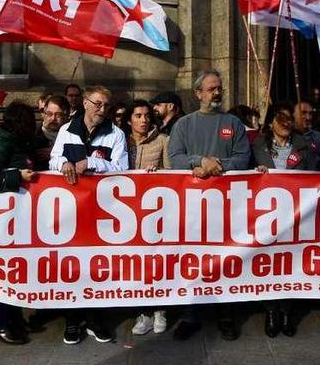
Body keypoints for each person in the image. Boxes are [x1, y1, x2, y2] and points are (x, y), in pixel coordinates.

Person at [169, 69, 250, 341]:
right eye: (212, 88)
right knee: (191, 260)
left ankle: (225, 313)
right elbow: (175, 159)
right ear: (198, 93)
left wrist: (217, 166)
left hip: (226, 207)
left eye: (220, 88)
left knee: (224, 259)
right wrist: (198, 162)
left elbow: (242, 159)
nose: (217, 93)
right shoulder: (183, 124)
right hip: (191, 207)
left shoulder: (234, 123)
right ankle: (189, 314)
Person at [50, 85, 128, 344]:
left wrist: (91, 163)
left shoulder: (116, 134)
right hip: (70, 211)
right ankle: (72, 321)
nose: (101, 109)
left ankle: (95, 319)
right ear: (85, 103)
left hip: (101, 211)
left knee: (96, 266)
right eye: (97, 103)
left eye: (106, 105)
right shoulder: (66, 130)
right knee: (70, 265)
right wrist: (64, 164)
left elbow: (121, 168)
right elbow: (52, 160)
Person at [0, 101, 39, 345]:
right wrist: (17, 176)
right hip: (5, 217)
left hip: (17, 214)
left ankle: (12, 318)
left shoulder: (13, 139)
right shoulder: (4, 141)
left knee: (15, 271)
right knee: (6, 271)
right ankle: (0, 324)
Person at [252, 102, 314, 338]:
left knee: (289, 262)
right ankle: (271, 310)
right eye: (280, 118)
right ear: (271, 123)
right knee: (269, 263)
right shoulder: (258, 144)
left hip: (296, 213)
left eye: (289, 119)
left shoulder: (303, 146)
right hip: (266, 214)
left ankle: (287, 310)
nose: (286, 123)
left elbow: (314, 176)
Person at [125, 99, 170, 336]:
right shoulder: (121, 141)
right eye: (138, 116)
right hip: (129, 214)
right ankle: (143, 312)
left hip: (155, 212)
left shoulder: (163, 140)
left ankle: (160, 309)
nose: (143, 120)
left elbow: (174, 176)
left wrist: (159, 174)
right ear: (129, 120)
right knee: (136, 264)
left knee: (157, 261)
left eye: (146, 116)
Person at [34, 95, 70, 171]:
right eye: (49, 114)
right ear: (44, 114)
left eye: (58, 115)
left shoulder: (73, 135)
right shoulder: (34, 134)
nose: (53, 119)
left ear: (66, 116)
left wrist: (54, 154)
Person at [293, 99, 320, 168]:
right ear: (293, 113)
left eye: (310, 113)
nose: (308, 117)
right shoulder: (285, 137)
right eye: (303, 113)